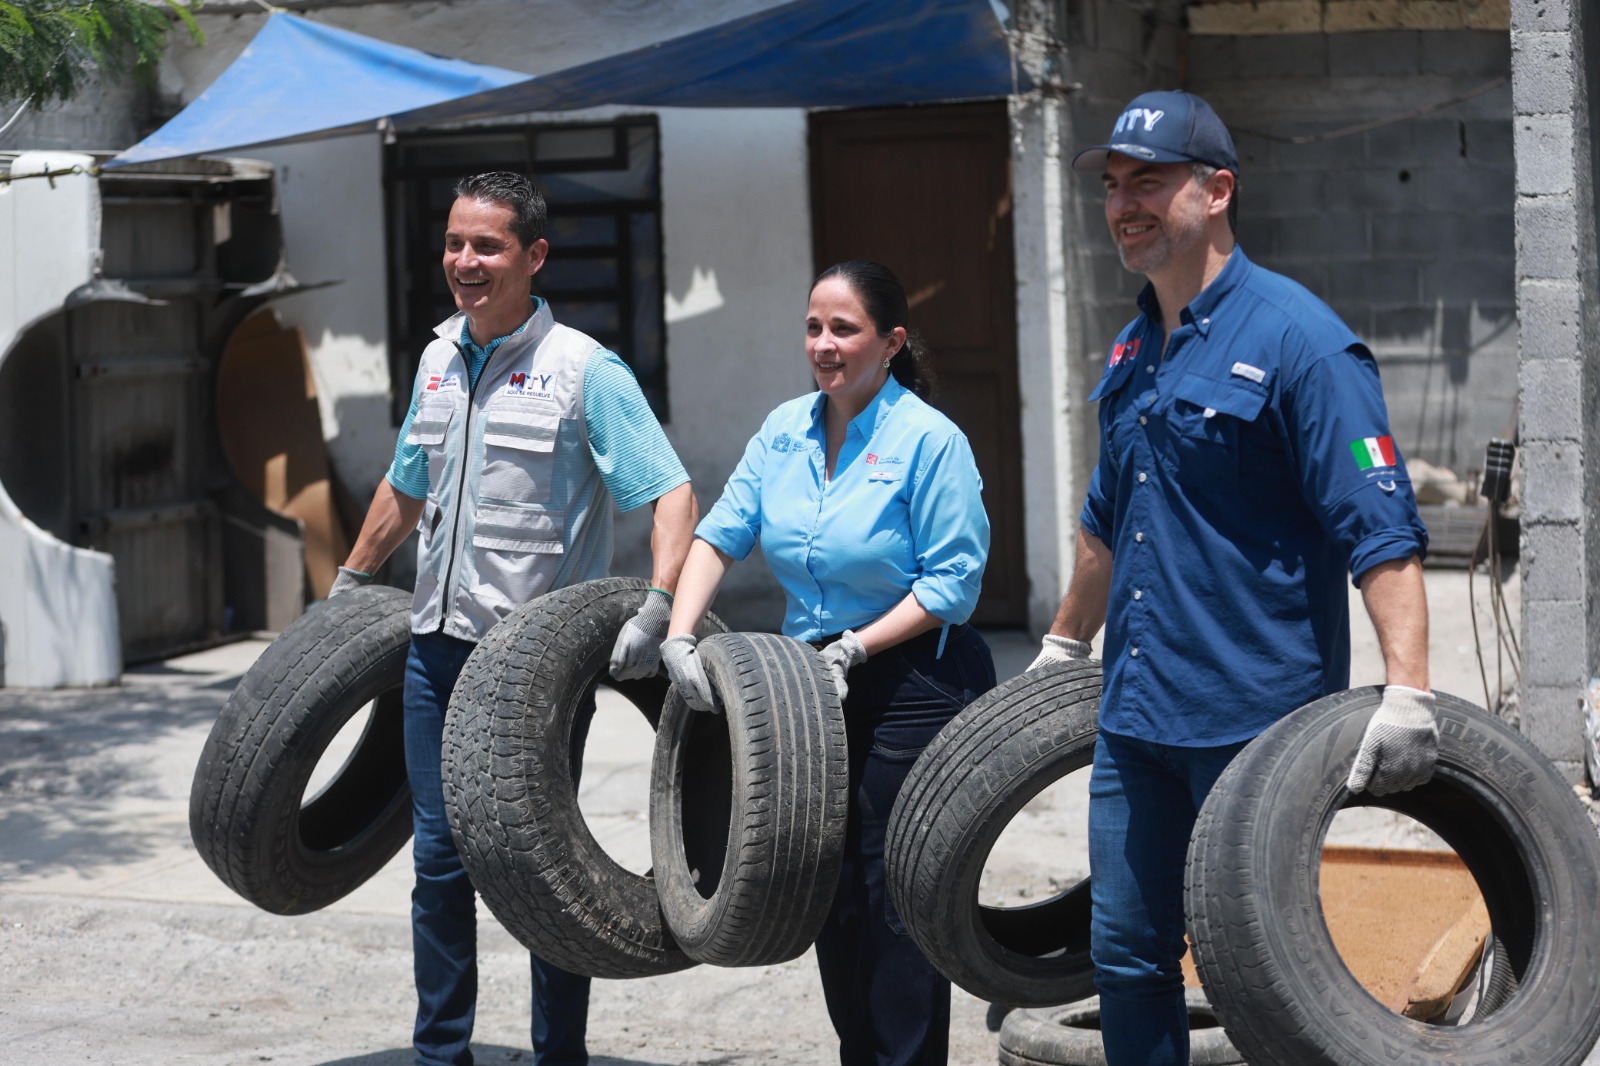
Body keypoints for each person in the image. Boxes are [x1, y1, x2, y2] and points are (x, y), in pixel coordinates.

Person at [1027, 91, 1433, 1066]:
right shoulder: (1133, 345)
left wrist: (1410, 690)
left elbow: (1378, 526)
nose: (1123, 205)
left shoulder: (1302, 342)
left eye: (1147, 182)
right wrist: (1063, 643)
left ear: (1215, 191)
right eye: (1112, 186)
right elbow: (1105, 522)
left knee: (1261, 972)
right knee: (1126, 956)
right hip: (1136, 719)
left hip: (1256, 726)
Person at [330, 170, 697, 1066]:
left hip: (535, 674)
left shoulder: (584, 370)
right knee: (438, 865)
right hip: (435, 653)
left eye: (486, 246)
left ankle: (557, 1054)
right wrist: (351, 580)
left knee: (543, 870)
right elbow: (406, 486)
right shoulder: (437, 359)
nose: (465, 261)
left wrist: (657, 608)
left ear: (534, 255)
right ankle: (440, 1053)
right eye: (455, 243)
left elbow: (670, 492)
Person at [660, 260, 994, 1066]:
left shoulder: (928, 440)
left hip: (913, 679)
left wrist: (859, 644)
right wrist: (679, 632)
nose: (824, 344)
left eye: (844, 329)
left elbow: (953, 581)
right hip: (807, 687)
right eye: (814, 327)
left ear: (891, 342)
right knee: (827, 885)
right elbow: (721, 532)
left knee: (895, 895)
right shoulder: (784, 430)